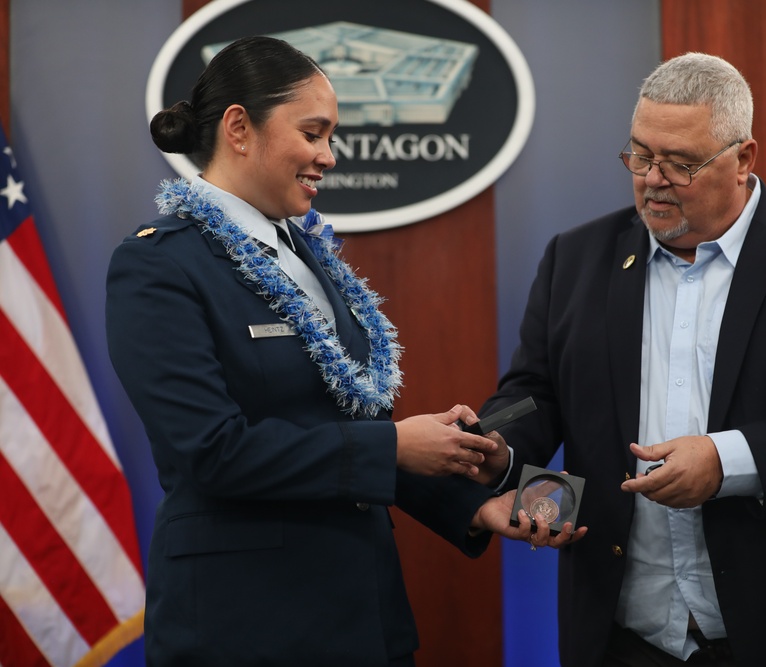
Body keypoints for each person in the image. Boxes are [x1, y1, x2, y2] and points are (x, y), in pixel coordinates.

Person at [106, 35, 579, 667]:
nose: (329, 155)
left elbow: (350, 433)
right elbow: (210, 452)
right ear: (239, 128)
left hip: (365, 622)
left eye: (332, 136)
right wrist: (397, 444)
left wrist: (476, 503)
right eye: (313, 132)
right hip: (243, 629)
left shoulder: (308, 255)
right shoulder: (157, 265)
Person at [477, 52, 766, 666]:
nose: (652, 179)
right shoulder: (575, 258)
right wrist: (497, 447)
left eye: (681, 164)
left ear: (744, 159)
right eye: (639, 155)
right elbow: (534, 394)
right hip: (621, 635)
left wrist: (726, 459)